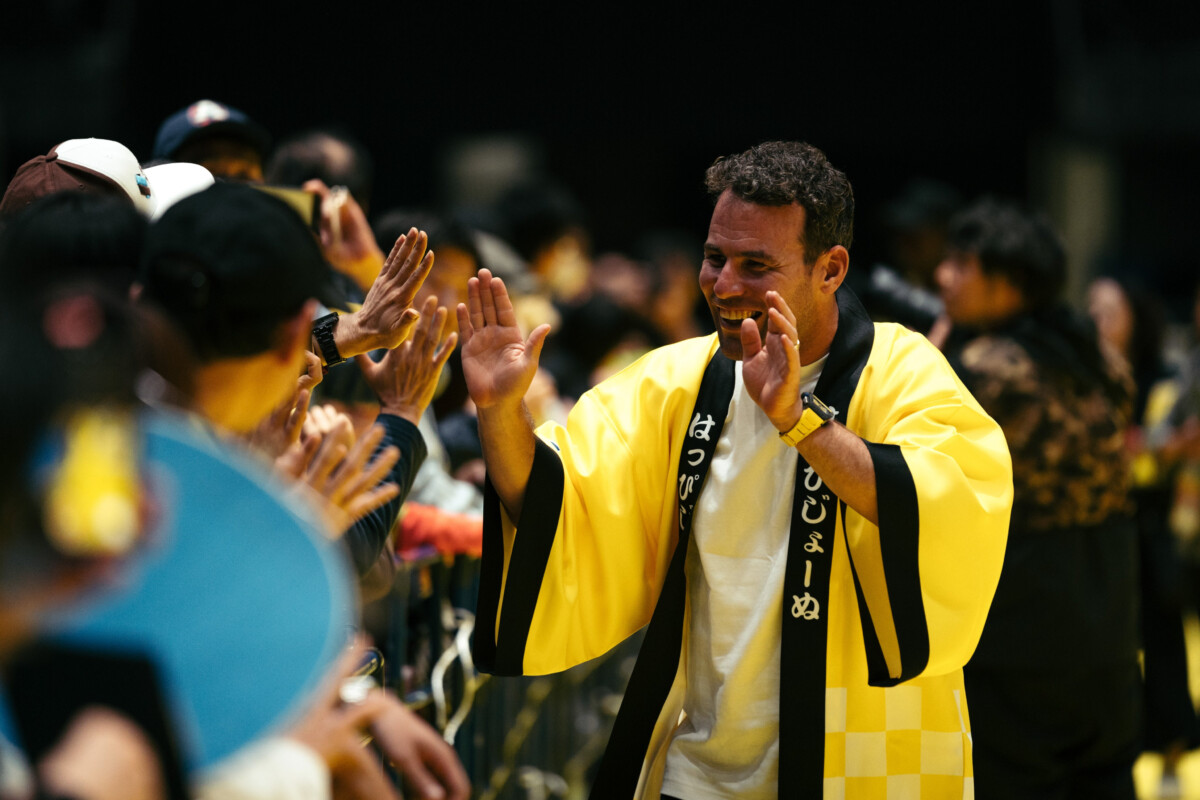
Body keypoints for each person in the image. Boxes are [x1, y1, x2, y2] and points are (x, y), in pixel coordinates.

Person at [461, 141, 1013, 799]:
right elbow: (557, 505)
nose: (724, 286)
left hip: (860, 768)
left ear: (830, 269)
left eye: (756, 265)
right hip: (697, 772)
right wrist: (498, 413)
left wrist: (802, 423)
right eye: (715, 257)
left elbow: (951, 507)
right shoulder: (676, 382)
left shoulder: (905, 370)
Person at [936, 201, 1140, 799]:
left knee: (1016, 778)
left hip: (1023, 610)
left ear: (1009, 282)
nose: (945, 276)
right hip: (1108, 601)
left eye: (962, 262)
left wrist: (934, 350)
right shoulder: (1100, 358)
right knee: (1103, 777)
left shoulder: (985, 368)